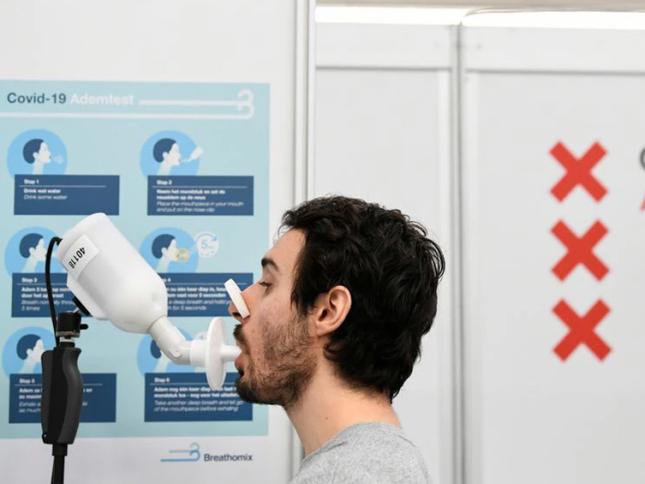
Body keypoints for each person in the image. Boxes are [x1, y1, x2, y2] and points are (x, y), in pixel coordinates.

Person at [228, 196, 445, 483]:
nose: (237, 307)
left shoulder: (349, 474)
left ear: (328, 311)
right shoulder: (379, 464)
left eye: (268, 284)